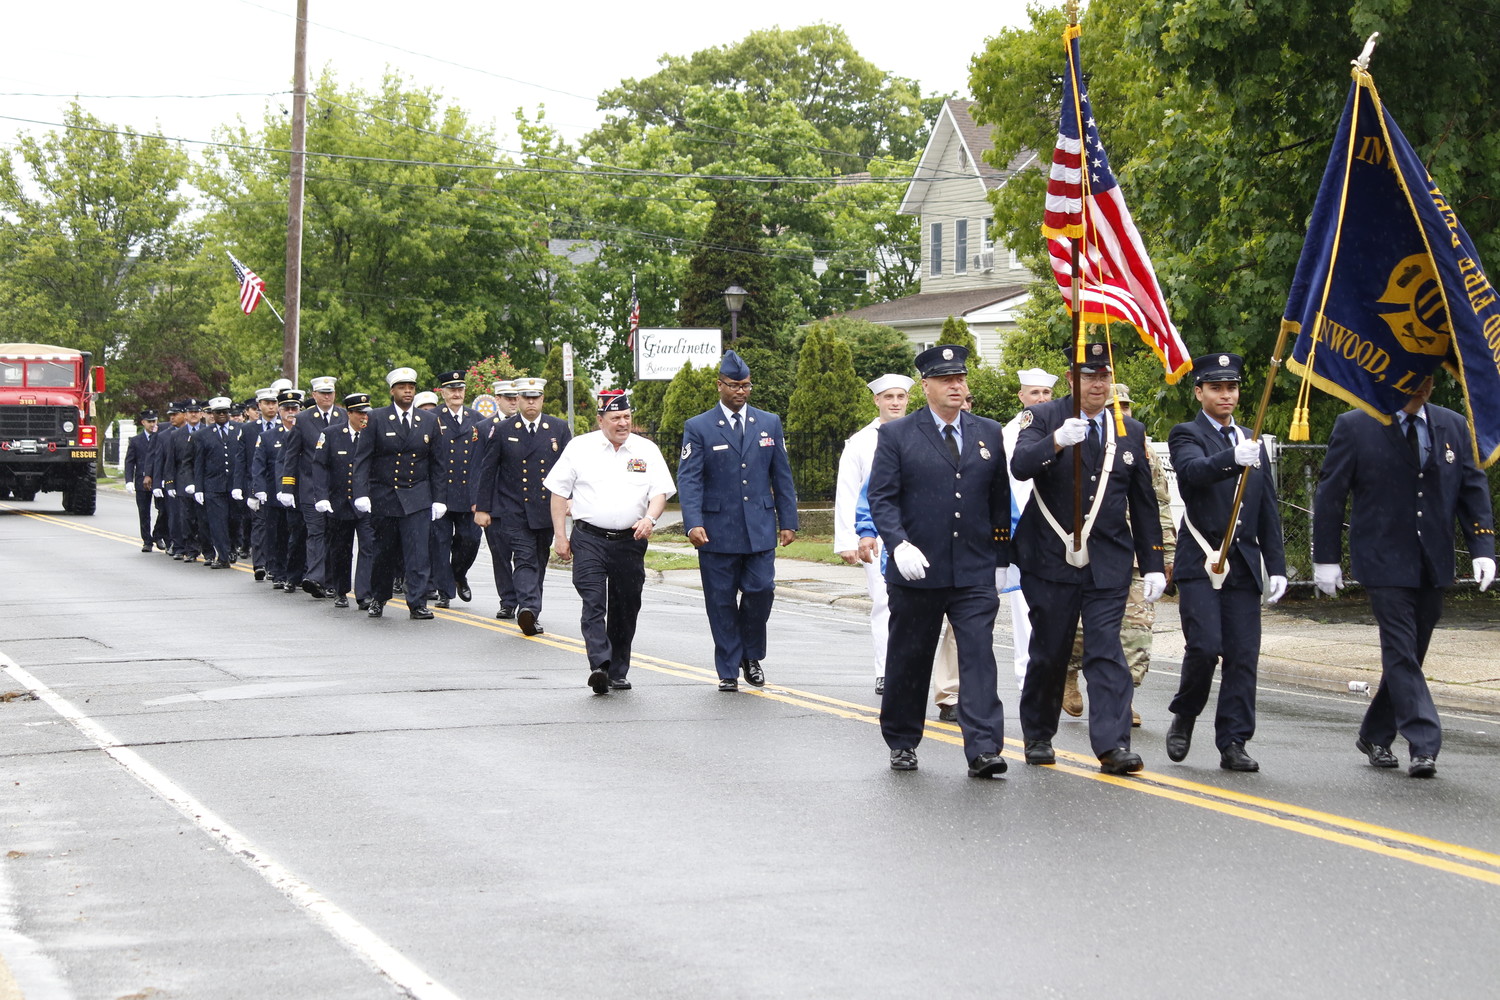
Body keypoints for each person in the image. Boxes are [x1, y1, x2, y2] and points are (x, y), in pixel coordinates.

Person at [1313, 375, 1496, 778]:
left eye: (1427, 379)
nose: (1421, 387)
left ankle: (1375, 734)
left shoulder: (1450, 424)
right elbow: (1330, 493)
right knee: (1399, 649)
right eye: (1411, 377)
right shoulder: (1356, 424)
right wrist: (1325, 557)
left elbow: (1471, 486)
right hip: (1381, 559)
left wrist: (1483, 547)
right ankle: (1424, 742)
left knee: (1411, 654)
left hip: (1433, 559)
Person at [1010, 341, 1166, 774]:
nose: (1098, 384)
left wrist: (1152, 562)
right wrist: (1056, 442)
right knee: (1051, 651)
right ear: (1071, 379)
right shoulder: (1042, 418)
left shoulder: (1127, 429)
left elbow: (1145, 502)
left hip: (1108, 561)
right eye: (1089, 376)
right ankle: (1039, 733)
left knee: (1105, 651)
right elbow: (1020, 465)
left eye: (1104, 376)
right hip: (1050, 559)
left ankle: (1113, 745)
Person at [866, 344, 1010, 777]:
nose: (956, 386)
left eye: (960, 379)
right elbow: (882, 497)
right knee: (910, 656)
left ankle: (984, 747)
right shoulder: (897, 435)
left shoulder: (987, 431)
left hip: (973, 568)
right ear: (925, 385)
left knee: (978, 655)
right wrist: (898, 543)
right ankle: (902, 740)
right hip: (917, 569)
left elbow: (997, 498)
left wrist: (1002, 556)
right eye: (946, 380)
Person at [1164, 355, 1287, 771]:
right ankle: (1186, 712)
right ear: (1199, 392)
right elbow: (1192, 472)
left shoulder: (1251, 441)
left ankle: (1233, 741)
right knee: (1205, 647)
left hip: (1244, 565)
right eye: (1216, 388)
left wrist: (1279, 566)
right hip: (1202, 561)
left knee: (1241, 655)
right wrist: (1234, 457)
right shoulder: (1188, 434)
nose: (1226, 395)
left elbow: (1266, 508)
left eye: (1231, 388)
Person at [677, 350, 799, 691]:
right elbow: (689, 479)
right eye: (734, 385)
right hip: (716, 531)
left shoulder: (769, 422)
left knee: (762, 589)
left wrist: (788, 520)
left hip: (759, 527)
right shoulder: (698, 427)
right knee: (721, 600)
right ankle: (728, 669)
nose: (741, 391)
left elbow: (782, 475)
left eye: (746, 385)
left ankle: (751, 654)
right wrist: (692, 522)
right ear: (719, 385)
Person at [1060, 383, 1177, 726]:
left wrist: (1165, 555)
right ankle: (1068, 671)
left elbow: (1159, 506)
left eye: (1124, 407)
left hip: (1137, 556)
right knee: (1082, 630)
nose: (1121, 414)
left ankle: (1121, 699)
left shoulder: (1143, 450)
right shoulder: (1079, 442)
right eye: (1115, 408)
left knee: (1136, 631)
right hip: (1092, 552)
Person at [546, 390, 676, 694]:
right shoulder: (580, 448)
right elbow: (557, 493)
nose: (622, 423)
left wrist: (650, 518)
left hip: (630, 540)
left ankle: (618, 670)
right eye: (615, 418)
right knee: (593, 601)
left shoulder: (646, 450)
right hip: (589, 538)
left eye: (627, 417)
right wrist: (560, 537)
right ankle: (599, 665)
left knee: (626, 605)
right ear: (600, 420)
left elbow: (660, 492)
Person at [834, 373, 914, 695]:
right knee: (884, 601)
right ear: (876, 401)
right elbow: (849, 492)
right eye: (889, 397)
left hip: (917, 531)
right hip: (876, 535)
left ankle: (911, 668)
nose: (895, 403)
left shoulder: (918, 433)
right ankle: (885, 670)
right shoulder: (861, 442)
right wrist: (847, 540)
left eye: (900, 397)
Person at [472, 377, 571, 635]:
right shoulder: (504, 429)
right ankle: (527, 609)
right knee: (524, 559)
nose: (530, 402)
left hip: (545, 509)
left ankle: (531, 608)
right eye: (525, 397)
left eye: (535, 397)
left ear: (542, 400)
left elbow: (571, 469)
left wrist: (572, 499)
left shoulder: (558, 428)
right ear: (518, 400)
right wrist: (483, 507)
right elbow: (488, 469)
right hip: (512, 509)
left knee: (538, 559)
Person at [353, 367, 447, 620]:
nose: (408, 391)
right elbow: (362, 459)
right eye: (402, 387)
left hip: (417, 496)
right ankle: (379, 597)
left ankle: (416, 602)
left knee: (418, 553)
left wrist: (439, 498)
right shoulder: (376, 418)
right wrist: (361, 493)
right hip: (385, 496)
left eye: (411, 387)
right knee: (384, 553)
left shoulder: (428, 420)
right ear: (392, 391)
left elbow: (437, 462)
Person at [1002, 368, 1059, 691]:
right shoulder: (1008, 433)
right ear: (1021, 396)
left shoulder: (1064, 427)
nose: (1040, 399)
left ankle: (1055, 675)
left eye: (1046, 393)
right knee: (1025, 608)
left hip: (1058, 531)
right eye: (1034, 393)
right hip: (1021, 527)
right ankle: (1028, 677)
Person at [278, 375, 346, 598]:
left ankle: (331, 580)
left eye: (331, 392)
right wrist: (287, 488)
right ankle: (315, 578)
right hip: (310, 488)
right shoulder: (304, 419)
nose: (327, 396)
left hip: (337, 489)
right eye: (323, 393)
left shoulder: (343, 415)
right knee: (316, 533)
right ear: (314, 395)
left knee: (334, 535)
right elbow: (292, 455)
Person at [310, 392, 377, 609]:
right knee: (340, 548)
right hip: (339, 501)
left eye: (366, 413)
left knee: (369, 546)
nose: (363, 417)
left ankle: (364, 593)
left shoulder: (374, 433)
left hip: (367, 503)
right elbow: (319, 466)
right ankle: (340, 590)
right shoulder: (331, 434)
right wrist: (321, 496)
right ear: (348, 413)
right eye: (359, 413)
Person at [431, 371, 483, 608]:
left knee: (470, 539)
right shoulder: (432, 417)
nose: (456, 394)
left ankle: (458, 574)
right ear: (443, 393)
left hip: (469, 493)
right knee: (440, 543)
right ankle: (445, 590)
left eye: (460, 389)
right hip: (440, 492)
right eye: (451, 390)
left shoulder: (477, 419)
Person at [252, 390, 306, 590]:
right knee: (278, 535)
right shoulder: (268, 436)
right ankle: (278, 571)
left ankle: (299, 572)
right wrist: (257, 490)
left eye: (295, 408)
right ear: (280, 411)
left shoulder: (306, 431)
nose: (291, 412)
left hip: (301, 492)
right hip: (275, 493)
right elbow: (258, 465)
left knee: (299, 535)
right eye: (287, 409)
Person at [478, 379, 522, 619]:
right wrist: (479, 504)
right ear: (498, 399)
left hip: (521, 502)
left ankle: (526, 599)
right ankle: (507, 600)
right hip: (495, 503)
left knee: (525, 555)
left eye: (516, 397)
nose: (513, 401)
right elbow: (479, 468)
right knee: (501, 555)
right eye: (508, 398)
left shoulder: (526, 425)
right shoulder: (484, 427)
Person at [189, 396, 245, 568]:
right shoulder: (202, 435)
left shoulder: (241, 429)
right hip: (213, 485)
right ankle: (223, 556)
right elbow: (199, 462)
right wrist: (199, 488)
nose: (222, 415)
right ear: (211, 414)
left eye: (225, 412)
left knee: (235, 520)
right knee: (217, 522)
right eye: (218, 412)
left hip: (236, 484)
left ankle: (234, 546)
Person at [123, 409, 160, 552]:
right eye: (149, 422)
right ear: (143, 423)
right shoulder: (136, 441)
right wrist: (129, 480)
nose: (152, 424)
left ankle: (158, 534)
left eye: (154, 421)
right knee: (144, 512)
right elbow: (129, 462)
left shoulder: (160, 437)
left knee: (163, 510)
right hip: (141, 481)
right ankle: (147, 541)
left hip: (157, 480)